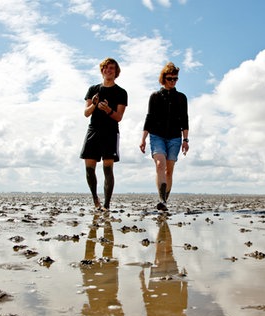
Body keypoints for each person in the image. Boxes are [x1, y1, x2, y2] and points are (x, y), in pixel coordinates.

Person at [139, 62, 189, 212]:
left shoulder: (181, 98)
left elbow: (185, 120)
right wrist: (143, 139)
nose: (173, 81)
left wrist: (185, 140)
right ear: (163, 79)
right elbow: (149, 118)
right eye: (170, 78)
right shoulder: (155, 96)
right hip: (157, 136)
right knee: (160, 164)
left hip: (174, 137)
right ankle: (161, 199)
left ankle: (164, 202)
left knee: (169, 170)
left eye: (175, 79)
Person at [80, 58, 128, 211]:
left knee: (108, 169)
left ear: (116, 72)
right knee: (89, 169)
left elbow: (119, 117)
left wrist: (108, 110)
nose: (108, 70)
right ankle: (95, 198)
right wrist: (94, 104)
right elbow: (86, 113)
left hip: (110, 132)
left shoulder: (121, 92)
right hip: (93, 130)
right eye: (106, 68)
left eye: (112, 68)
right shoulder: (93, 89)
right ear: (102, 70)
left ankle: (106, 204)